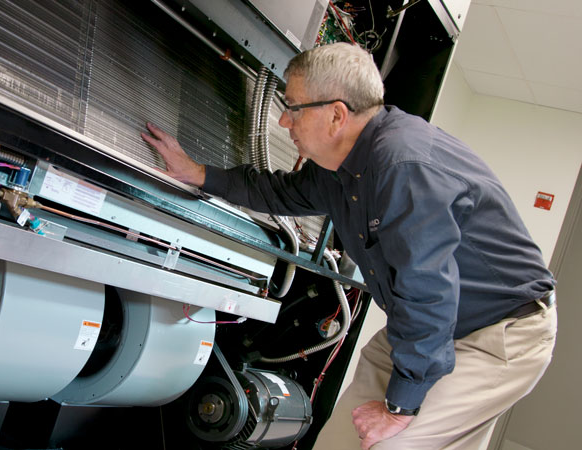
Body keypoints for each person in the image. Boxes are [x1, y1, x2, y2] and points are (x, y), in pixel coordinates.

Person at [141, 42, 557, 450]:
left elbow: (428, 291)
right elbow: (282, 192)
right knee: (342, 440)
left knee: (392, 444)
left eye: (293, 108)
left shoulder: (402, 168)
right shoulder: (340, 167)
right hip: (422, 328)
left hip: (495, 334)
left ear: (337, 114)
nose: (284, 121)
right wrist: (199, 173)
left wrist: (400, 407)